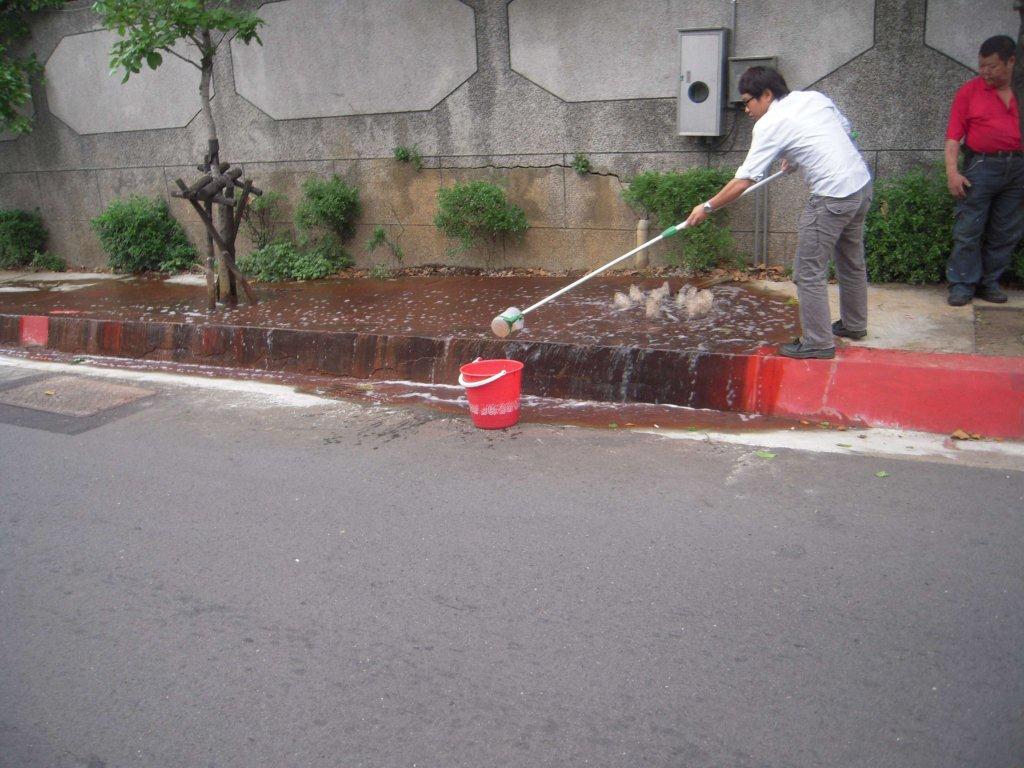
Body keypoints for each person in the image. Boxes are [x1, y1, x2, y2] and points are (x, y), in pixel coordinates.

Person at [685, 66, 872, 359]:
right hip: (860, 186)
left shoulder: (769, 123)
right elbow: (844, 131)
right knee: (851, 260)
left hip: (831, 196)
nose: (745, 109)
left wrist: (707, 207)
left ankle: (818, 343)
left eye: (747, 101)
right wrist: (797, 156)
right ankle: (854, 324)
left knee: (807, 272)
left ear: (767, 95)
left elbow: (744, 180)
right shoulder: (812, 98)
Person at [944, 34, 1023, 306]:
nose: (985, 72)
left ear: (1011, 61)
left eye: (991, 66)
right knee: (969, 227)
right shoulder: (969, 91)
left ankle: (988, 283)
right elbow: (953, 136)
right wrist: (952, 173)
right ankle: (961, 285)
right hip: (981, 165)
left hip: (1018, 167)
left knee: (1007, 230)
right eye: (981, 66)